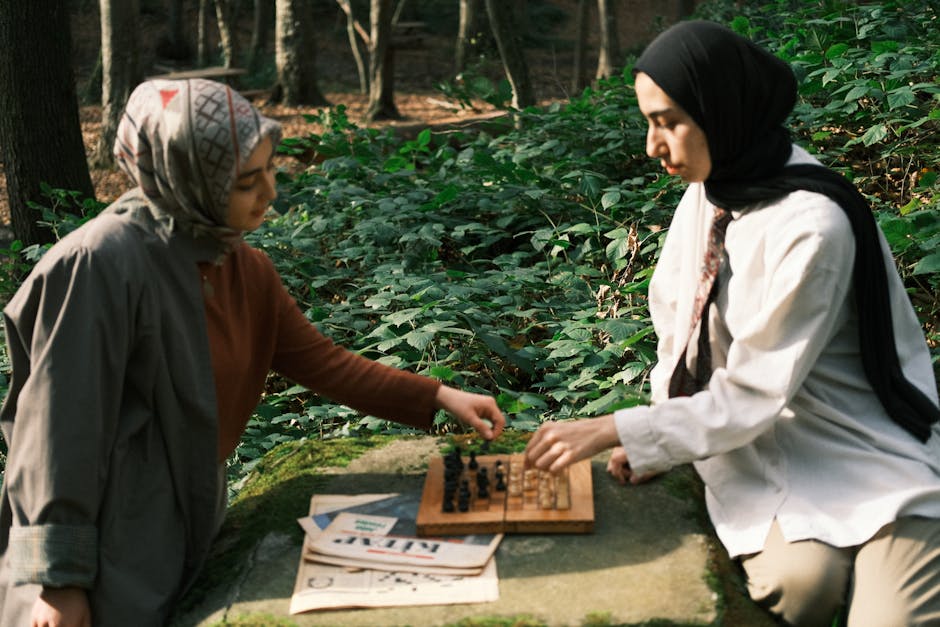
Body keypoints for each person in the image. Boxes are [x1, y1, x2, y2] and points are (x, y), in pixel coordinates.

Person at [0, 78, 505, 626]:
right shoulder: (101, 265)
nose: (270, 192)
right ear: (185, 178)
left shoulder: (241, 265)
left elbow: (321, 362)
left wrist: (437, 394)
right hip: (105, 539)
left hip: (191, 515)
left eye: (270, 169)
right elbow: (55, 434)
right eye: (246, 181)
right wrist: (59, 580)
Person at [524, 20, 940, 627]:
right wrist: (660, 439)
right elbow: (680, 327)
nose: (652, 146)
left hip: (865, 443)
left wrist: (616, 429)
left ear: (720, 111)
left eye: (667, 122)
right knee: (798, 588)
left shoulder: (811, 225)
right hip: (760, 441)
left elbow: (754, 390)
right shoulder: (715, 189)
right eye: (649, 122)